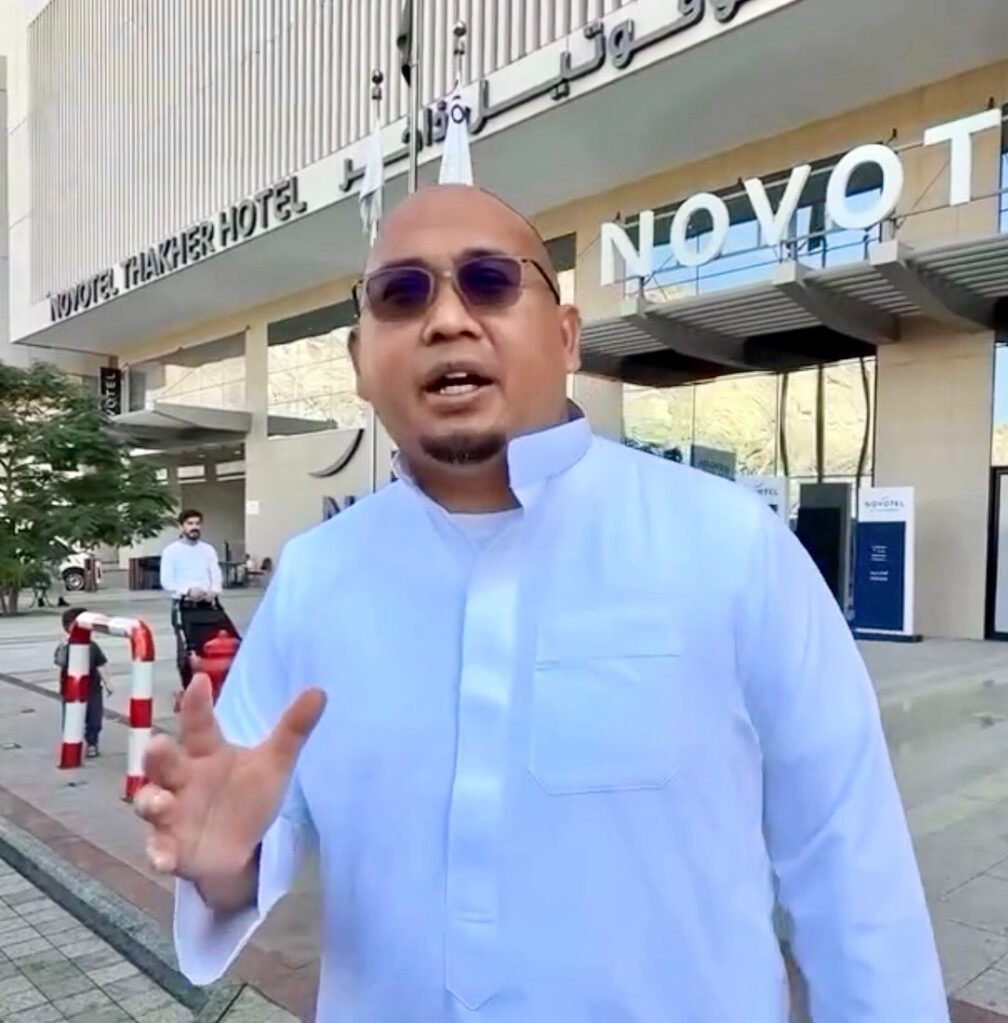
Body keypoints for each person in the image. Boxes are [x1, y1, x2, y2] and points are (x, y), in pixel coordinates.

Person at [135, 186, 947, 1022]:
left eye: (489, 282)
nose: (446, 319)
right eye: (401, 294)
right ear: (359, 359)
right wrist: (221, 864)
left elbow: (851, 869)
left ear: (565, 335)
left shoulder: (733, 544)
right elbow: (239, 824)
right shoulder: (315, 574)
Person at [161, 509, 225, 689]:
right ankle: (189, 688)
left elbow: (216, 575)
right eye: (190, 524)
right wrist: (187, 590)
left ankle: (214, 686)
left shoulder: (208, 550)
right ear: (182, 526)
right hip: (185, 606)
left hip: (209, 606)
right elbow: (167, 582)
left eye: (197, 523)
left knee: (218, 644)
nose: (194, 527)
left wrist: (214, 591)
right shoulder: (171, 551)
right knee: (188, 650)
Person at [53, 607, 112, 758]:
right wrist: (64, 646)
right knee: (71, 719)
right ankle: (72, 742)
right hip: (71, 690)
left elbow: (100, 664)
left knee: (94, 719)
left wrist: (108, 683)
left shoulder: (92, 646)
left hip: (93, 688)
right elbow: (60, 662)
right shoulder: (65, 646)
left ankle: (92, 742)